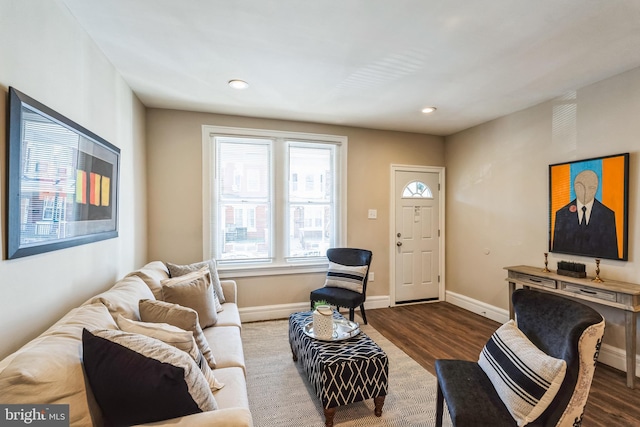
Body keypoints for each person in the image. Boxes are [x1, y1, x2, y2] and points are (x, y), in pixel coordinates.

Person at [552, 170, 618, 259]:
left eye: (591, 188)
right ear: (575, 188)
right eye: (581, 187)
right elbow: (557, 248)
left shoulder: (607, 215)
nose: (586, 192)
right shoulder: (562, 214)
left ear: (596, 188)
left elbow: (612, 253)